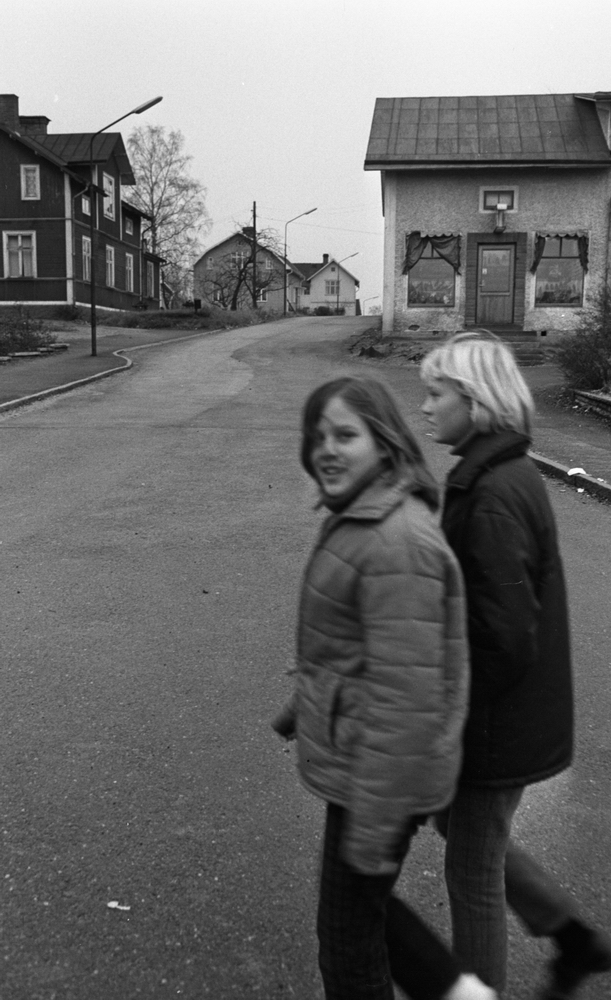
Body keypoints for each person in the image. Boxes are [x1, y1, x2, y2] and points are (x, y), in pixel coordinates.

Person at [272, 375, 497, 1000]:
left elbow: (407, 702)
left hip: (377, 774)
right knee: (360, 923)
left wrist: (374, 829)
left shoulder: (396, 541)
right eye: (318, 435)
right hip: (363, 762)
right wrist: (303, 705)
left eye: (345, 435)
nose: (326, 449)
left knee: (349, 948)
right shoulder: (363, 515)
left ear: (385, 442)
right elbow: (352, 653)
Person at [420, 331, 611, 999]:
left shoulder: (493, 492)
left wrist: (445, 717)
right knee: (458, 825)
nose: (425, 407)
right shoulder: (496, 473)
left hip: (497, 726)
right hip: (513, 717)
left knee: (470, 872)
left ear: (473, 400)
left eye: (435, 394)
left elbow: (502, 638)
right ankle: (570, 935)